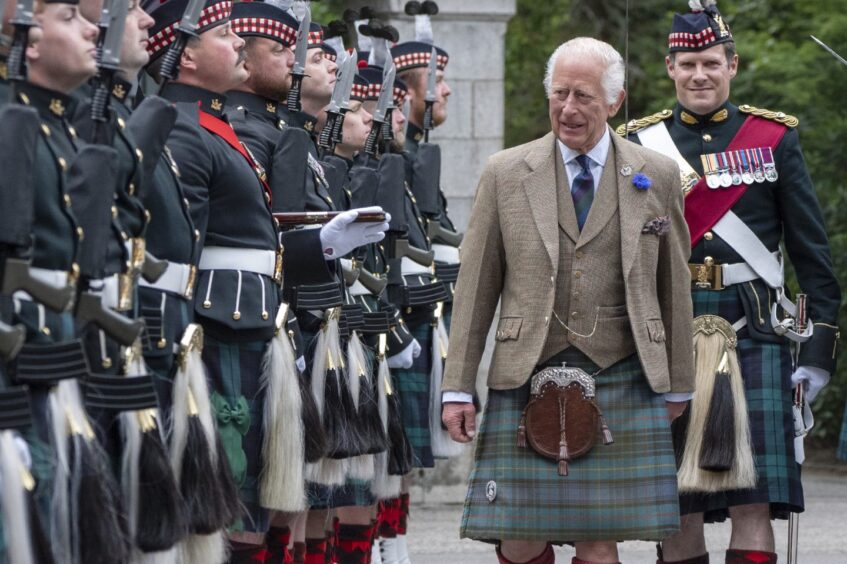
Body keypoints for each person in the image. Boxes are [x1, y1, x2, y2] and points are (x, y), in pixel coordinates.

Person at [441, 37, 695, 564]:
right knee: (519, 535)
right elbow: (475, 288)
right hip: (523, 368)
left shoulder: (657, 174)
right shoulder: (506, 173)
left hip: (624, 370)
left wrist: (679, 384)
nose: (569, 109)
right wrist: (457, 387)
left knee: (600, 538)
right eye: (560, 94)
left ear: (615, 101)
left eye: (583, 96)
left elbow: (674, 287)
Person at [619, 2, 841, 563]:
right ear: (669, 67)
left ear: (732, 65)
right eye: (688, 63)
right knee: (676, 503)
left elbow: (813, 257)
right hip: (670, 329)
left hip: (756, 326)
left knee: (755, 502)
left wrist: (816, 354)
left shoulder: (773, 138)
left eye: (711, 63)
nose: (700, 74)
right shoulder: (639, 144)